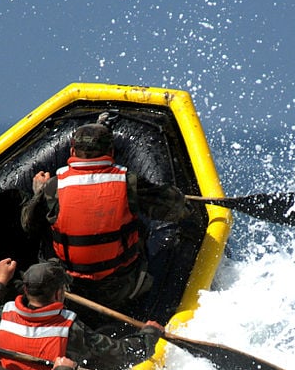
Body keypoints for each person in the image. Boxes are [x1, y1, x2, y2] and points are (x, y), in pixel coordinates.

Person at [21, 121, 194, 312]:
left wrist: (39, 193)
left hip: (70, 287)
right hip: (120, 287)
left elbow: (28, 224)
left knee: (48, 234)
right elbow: (177, 209)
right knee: (140, 227)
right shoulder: (129, 183)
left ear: (72, 151)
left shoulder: (53, 187)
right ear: (111, 151)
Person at [0, 259, 165, 370]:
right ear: (59, 293)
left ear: (26, 291)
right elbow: (122, 355)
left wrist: (0, 281)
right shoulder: (70, 331)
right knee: (100, 368)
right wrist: (149, 334)